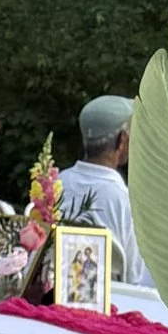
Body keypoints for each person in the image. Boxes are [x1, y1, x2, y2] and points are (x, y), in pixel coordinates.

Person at [59, 93, 140, 281]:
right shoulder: (127, 202)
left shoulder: (56, 184)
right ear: (122, 140)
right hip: (111, 305)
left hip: (52, 298)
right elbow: (136, 279)